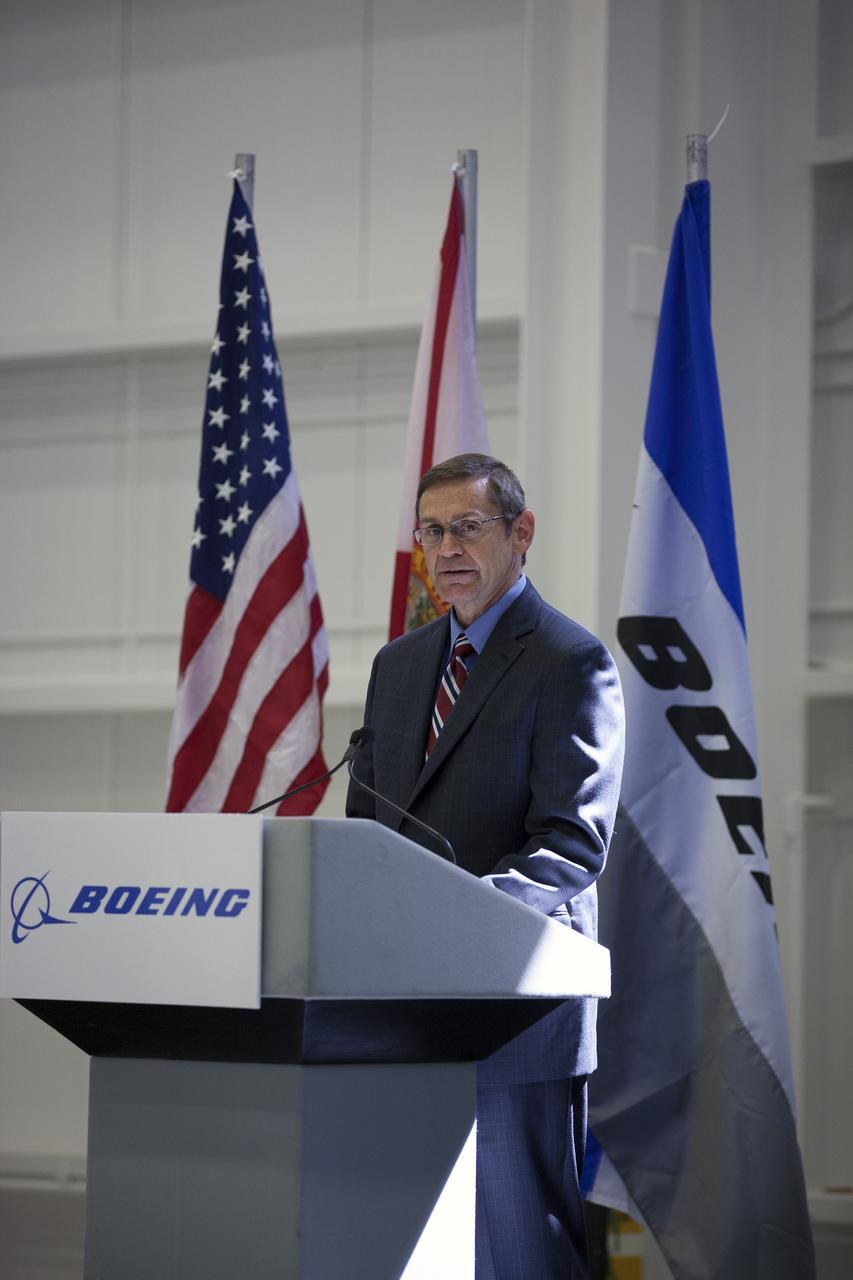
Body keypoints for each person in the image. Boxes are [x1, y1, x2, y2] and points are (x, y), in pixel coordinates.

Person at [346, 453, 624, 1278]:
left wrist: (455, 917)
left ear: (520, 533)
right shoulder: (398, 667)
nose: (445, 549)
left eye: (467, 527)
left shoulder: (569, 661)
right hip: (398, 1006)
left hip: (514, 1006)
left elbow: (571, 843)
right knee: (411, 1247)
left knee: (516, 1250)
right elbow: (365, 830)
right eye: (431, 531)